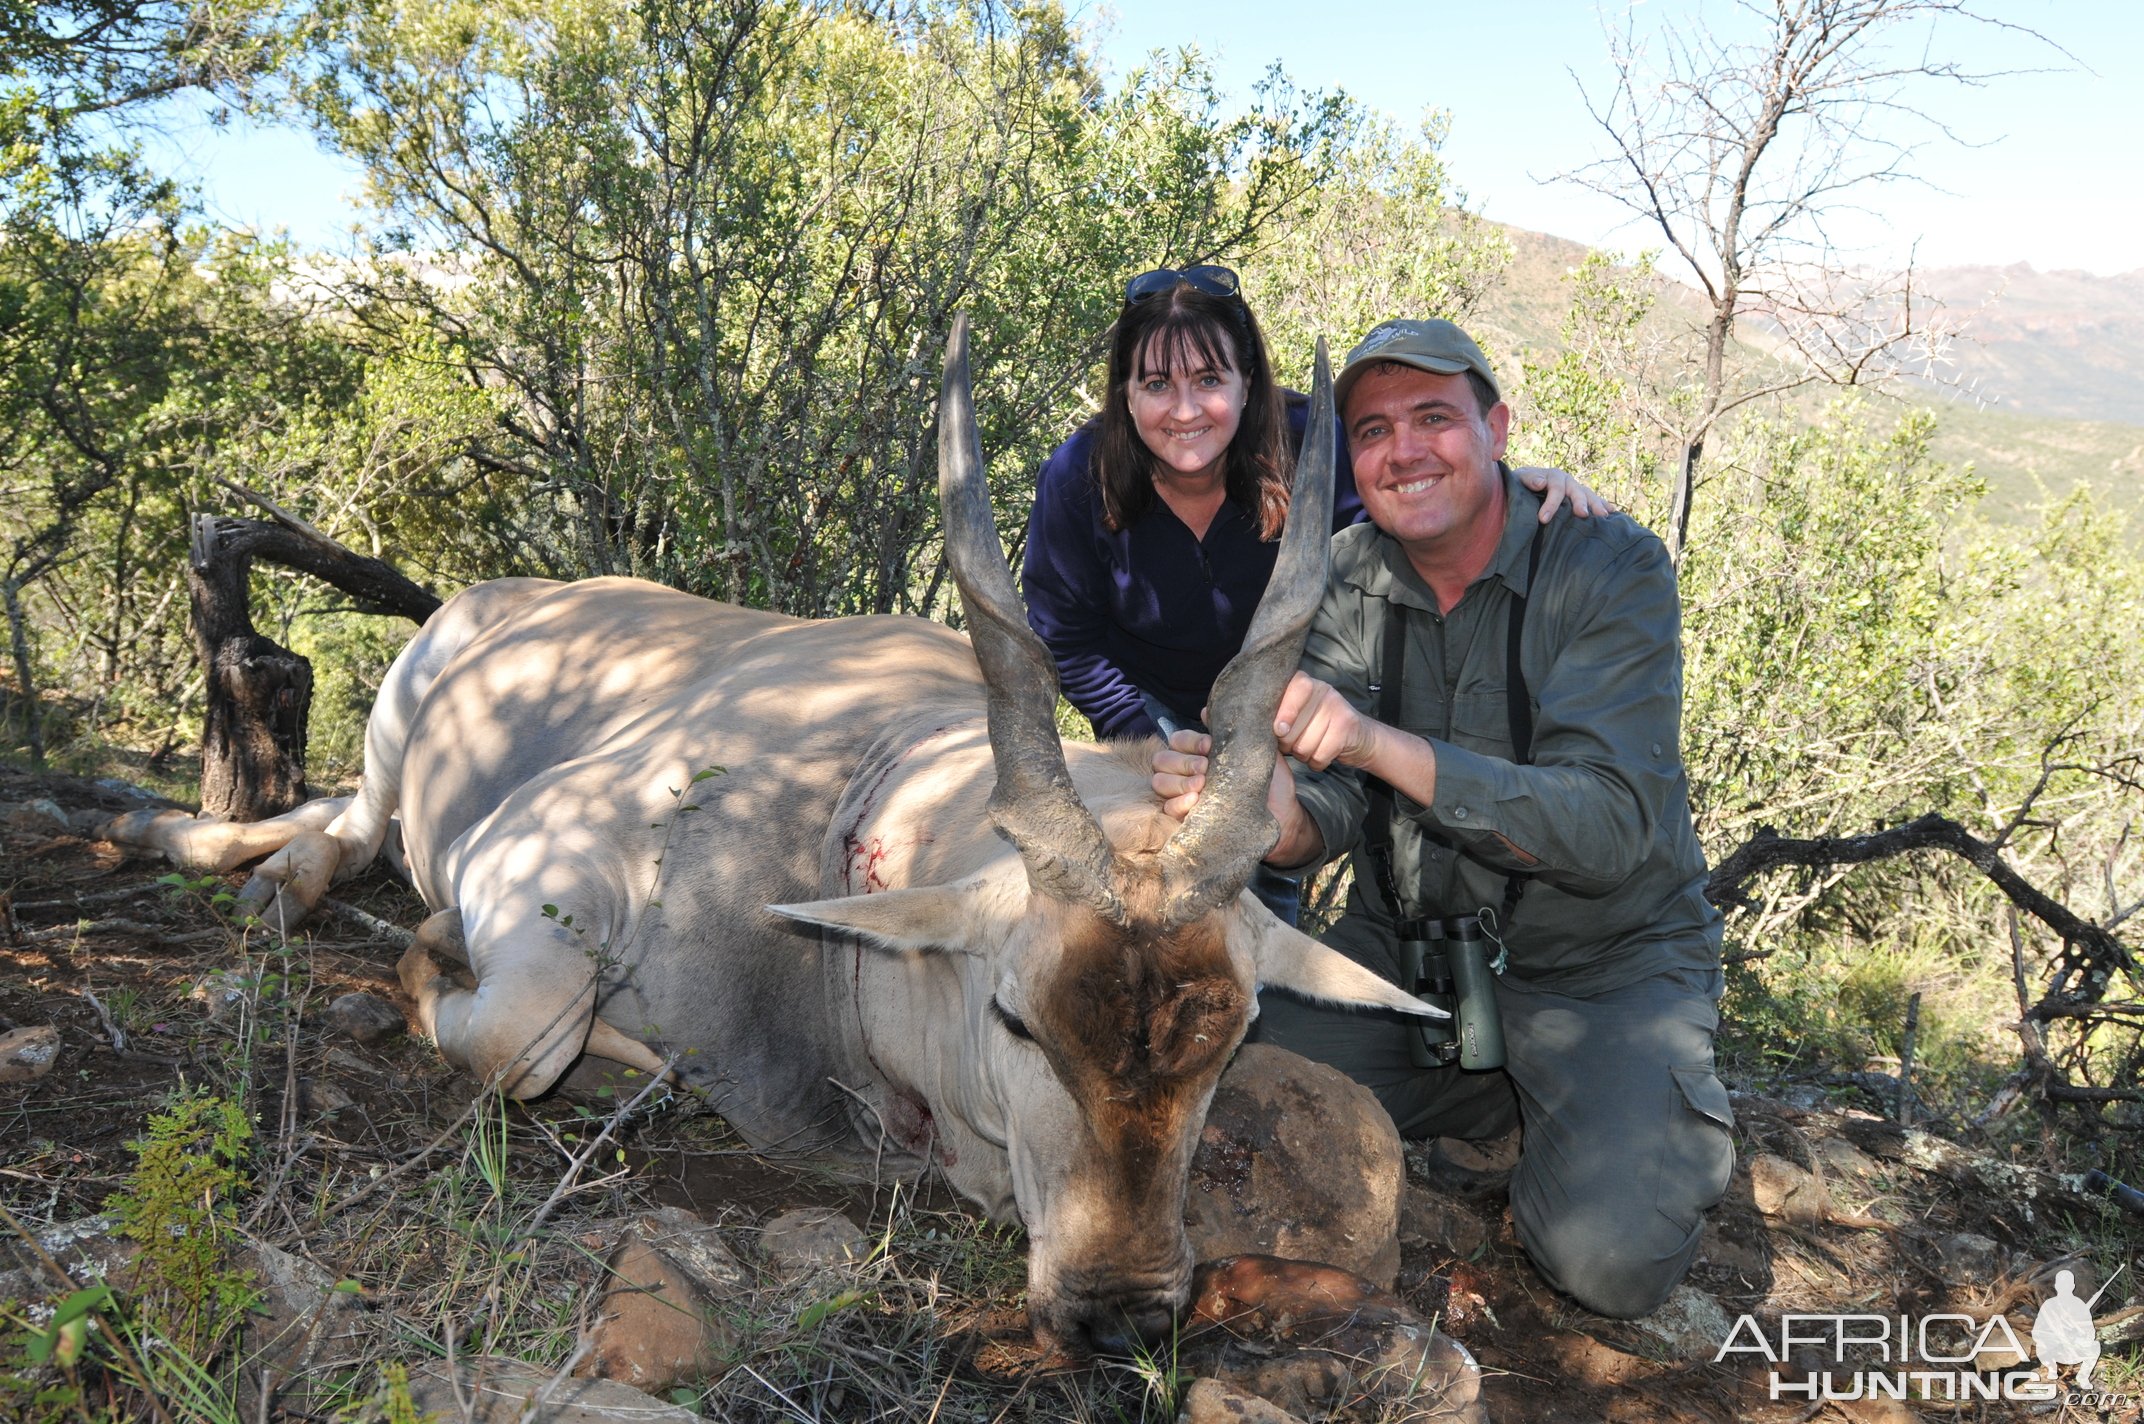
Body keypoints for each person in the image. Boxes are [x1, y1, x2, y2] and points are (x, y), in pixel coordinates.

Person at [1152, 317, 1734, 1320]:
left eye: (1433, 416)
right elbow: (1323, 807)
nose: (1402, 449)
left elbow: (1607, 828)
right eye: (1371, 430)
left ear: (1496, 426)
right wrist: (1262, 812)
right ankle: (1490, 1092)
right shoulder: (1337, 571)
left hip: (1604, 965)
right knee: (1198, 1086)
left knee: (1608, 1262)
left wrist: (1375, 741)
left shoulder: (1607, 566)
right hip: (1406, 958)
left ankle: (1618, 1088)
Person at [1021, 267, 1607, 919]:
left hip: (1289, 699)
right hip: (1147, 708)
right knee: (1142, 897)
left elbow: (1414, 497)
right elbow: (1066, 643)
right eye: (1157, 384)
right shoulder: (1080, 474)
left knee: (1259, 883)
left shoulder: (1311, 444)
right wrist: (1150, 742)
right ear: (1126, 394)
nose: (1184, 411)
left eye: (1209, 380)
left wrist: (1510, 484)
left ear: (1250, 383)